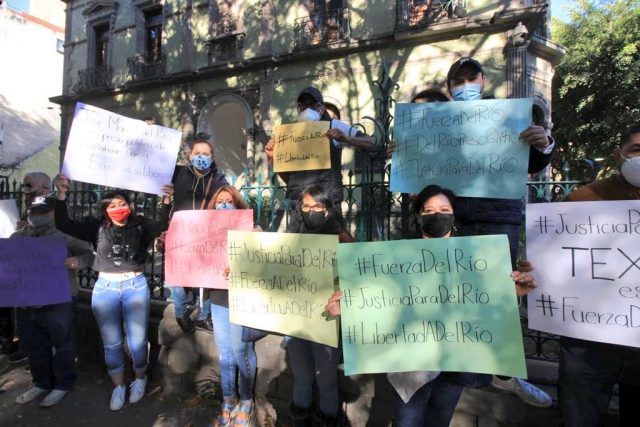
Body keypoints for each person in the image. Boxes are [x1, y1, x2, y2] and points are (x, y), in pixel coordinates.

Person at [325, 184, 538, 426]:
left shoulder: (478, 258)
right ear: (418, 217)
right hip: (410, 368)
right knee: (408, 422)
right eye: (428, 211)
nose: (437, 215)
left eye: (444, 209)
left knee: (440, 420)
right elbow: (377, 299)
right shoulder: (394, 256)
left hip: (454, 364)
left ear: (453, 214)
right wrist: (347, 308)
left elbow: (490, 305)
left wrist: (515, 293)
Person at [445, 57, 554, 406]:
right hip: (455, 218)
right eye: (457, 81)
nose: (464, 85)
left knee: (500, 296)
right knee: (456, 294)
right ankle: (465, 372)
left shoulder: (508, 115)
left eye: (469, 78)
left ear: (482, 79)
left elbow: (534, 163)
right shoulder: (439, 122)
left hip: (497, 217)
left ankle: (506, 375)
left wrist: (543, 143)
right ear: (451, 87)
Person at [53, 174, 171, 410]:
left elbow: (162, 225)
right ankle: (118, 385)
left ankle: (139, 378)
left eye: (123, 203)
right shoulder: (96, 228)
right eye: (112, 205)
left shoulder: (140, 226)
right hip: (105, 289)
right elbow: (64, 223)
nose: (118, 209)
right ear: (105, 210)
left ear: (130, 206)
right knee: (112, 343)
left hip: (135, 287)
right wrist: (61, 194)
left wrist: (167, 201)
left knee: (137, 342)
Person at [558, 124, 640, 427]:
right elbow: (557, 257)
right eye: (636, 150)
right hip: (590, 340)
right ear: (619, 155)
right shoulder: (584, 199)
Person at [11, 195, 93, 407]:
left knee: (63, 344)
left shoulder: (66, 235)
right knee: (33, 344)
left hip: (59, 300)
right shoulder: (17, 237)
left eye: (43, 212)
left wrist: (77, 261)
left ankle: (63, 384)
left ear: (53, 213)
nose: (37, 216)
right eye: (34, 211)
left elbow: (89, 255)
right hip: (26, 302)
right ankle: (41, 382)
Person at [284, 184, 347, 427]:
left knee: (327, 379)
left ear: (328, 210)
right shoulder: (290, 240)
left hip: (327, 322)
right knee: (301, 376)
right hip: (296, 321)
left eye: (317, 206)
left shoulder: (342, 239)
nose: (311, 210)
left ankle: (328, 418)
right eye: (306, 206)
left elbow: (358, 280)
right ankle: (300, 417)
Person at [264, 87, 376, 212]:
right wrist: (273, 158)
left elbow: (370, 142)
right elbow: (290, 180)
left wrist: (345, 138)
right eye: (303, 105)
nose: (307, 109)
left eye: (313, 105)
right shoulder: (289, 135)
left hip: (327, 204)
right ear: (298, 109)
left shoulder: (335, 125)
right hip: (299, 205)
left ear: (322, 109)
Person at [162, 133, 228, 333]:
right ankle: (181, 312)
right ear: (190, 156)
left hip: (207, 235)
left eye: (206, 154)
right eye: (197, 153)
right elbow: (154, 164)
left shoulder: (218, 178)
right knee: (177, 277)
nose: (202, 157)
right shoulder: (178, 173)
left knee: (207, 278)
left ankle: (203, 316)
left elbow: (228, 201)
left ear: (212, 157)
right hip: (179, 233)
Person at [207, 185, 257, 427]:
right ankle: (228, 399)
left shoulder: (252, 230)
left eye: (229, 201)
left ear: (238, 206)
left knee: (240, 351)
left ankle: (247, 400)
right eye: (219, 201)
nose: (223, 205)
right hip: (218, 297)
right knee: (225, 352)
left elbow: (264, 264)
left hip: (242, 298)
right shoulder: (204, 231)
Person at [1, 172, 54, 364]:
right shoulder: (28, 207)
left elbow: (63, 236)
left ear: (46, 188)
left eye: (29, 185)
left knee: (45, 321)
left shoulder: (56, 208)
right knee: (26, 317)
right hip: (23, 272)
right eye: (24, 185)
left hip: (46, 276)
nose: (25, 190)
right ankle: (27, 351)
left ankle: (44, 361)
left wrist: (33, 228)